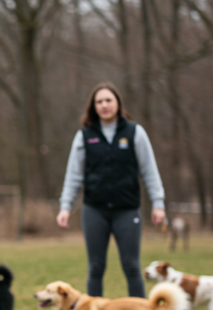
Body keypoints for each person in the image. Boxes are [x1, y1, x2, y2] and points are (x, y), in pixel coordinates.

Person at [56, 82, 166, 298]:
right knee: (96, 268)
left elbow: (149, 171)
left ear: (118, 103)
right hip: (94, 210)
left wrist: (158, 203)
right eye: (99, 101)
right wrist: (65, 207)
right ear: (93, 106)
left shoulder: (135, 132)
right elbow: (73, 176)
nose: (104, 105)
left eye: (108, 100)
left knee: (132, 266)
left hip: (127, 210)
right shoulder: (85, 136)